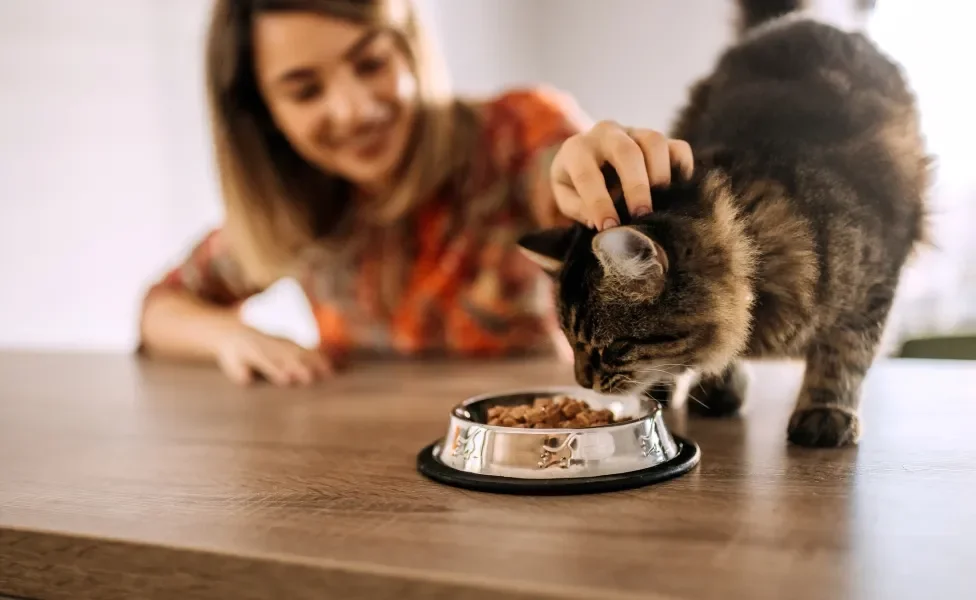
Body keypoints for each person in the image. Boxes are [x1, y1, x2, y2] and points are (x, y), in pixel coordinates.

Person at [138, 0, 694, 386]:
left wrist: (599, 177)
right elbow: (160, 308)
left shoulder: (514, 135)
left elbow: (565, 178)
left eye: (371, 63)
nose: (353, 109)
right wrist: (226, 337)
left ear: (408, 45)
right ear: (264, 116)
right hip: (359, 480)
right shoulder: (293, 206)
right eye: (306, 90)